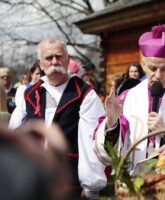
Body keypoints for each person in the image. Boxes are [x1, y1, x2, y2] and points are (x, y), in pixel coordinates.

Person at [93, 24, 165, 169]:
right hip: (134, 181)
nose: (158, 75)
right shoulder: (126, 98)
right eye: (153, 68)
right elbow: (110, 149)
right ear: (144, 66)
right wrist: (112, 123)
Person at [9, 37, 107, 199]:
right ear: (41, 64)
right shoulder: (31, 94)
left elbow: (91, 140)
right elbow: (15, 130)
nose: (55, 62)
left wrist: (90, 186)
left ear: (67, 60)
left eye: (59, 56)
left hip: (70, 182)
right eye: (49, 58)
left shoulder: (84, 94)